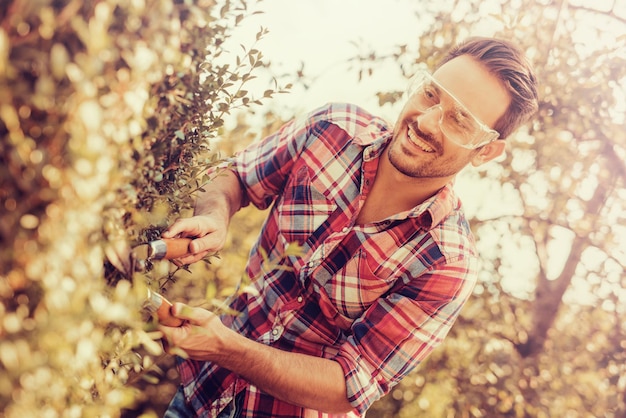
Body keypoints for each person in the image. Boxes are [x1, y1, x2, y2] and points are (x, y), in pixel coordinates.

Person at [160, 37, 538, 417]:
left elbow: (350, 386)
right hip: (199, 393)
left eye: (459, 120)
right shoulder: (331, 129)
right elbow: (237, 177)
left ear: (486, 151)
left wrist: (226, 348)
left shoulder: (448, 263)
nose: (425, 122)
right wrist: (215, 215)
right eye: (430, 95)